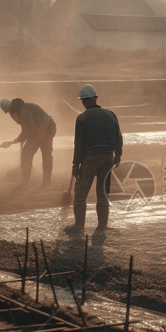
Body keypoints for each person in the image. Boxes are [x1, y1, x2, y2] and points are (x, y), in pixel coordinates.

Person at [65, 84, 123, 234]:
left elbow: (79, 145)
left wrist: (75, 165)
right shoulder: (111, 114)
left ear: (83, 101)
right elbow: (119, 137)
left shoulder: (82, 118)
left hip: (90, 159)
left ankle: (79, 227)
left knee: (80, 194)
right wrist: (118, 156)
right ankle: (101, 227)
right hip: (108, 158)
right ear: (96, 98)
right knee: (103, 194)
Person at [0, 97, 56, 186]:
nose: (9, 113)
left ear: (11, 107)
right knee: (26, 154)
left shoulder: (23, 110)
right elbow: (26, 126)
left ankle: (46, 181)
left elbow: (29, 128)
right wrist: (20, 139)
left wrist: (16, 140)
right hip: (37, 130)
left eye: (9, 110)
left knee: (45, 154)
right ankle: (25, 180)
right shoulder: (18, 110)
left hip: (48, 128)